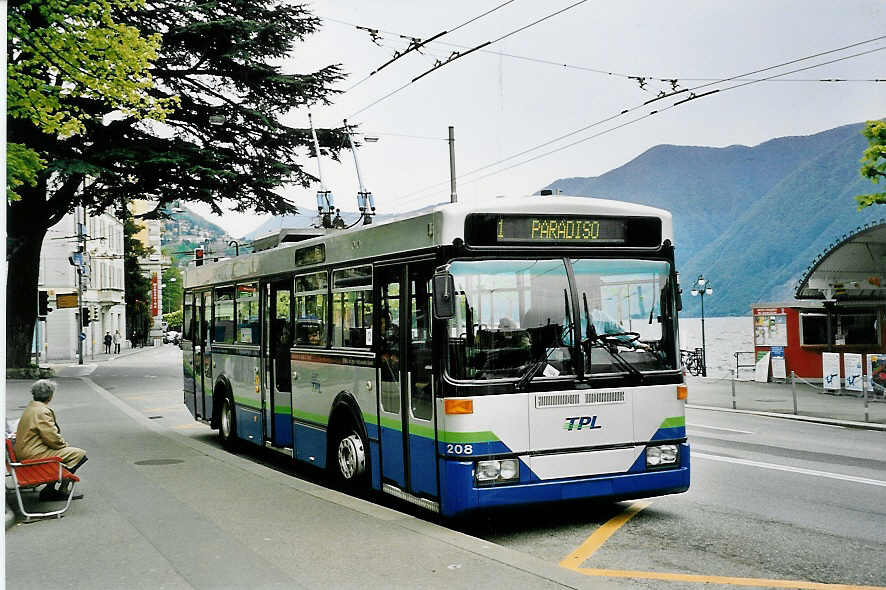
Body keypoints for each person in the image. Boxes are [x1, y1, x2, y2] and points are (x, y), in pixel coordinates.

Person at [15, 380, 87, 501]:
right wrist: (64, 445)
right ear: (50, 395)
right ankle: (58, 490)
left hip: (27, 450)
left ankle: (51, 488)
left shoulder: (31, 407)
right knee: (79, 454)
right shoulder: (41, 411)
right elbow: (52, 438)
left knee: (70, 453)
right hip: (33, 453)